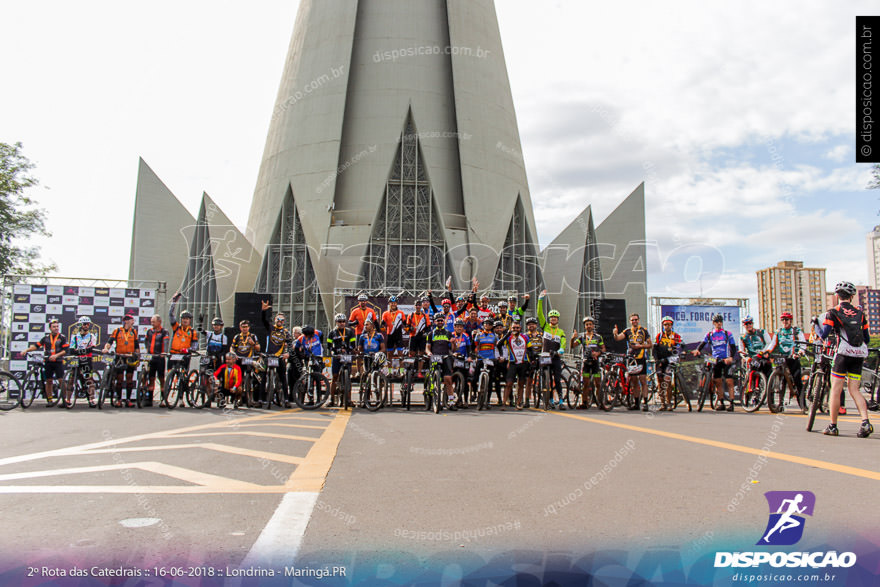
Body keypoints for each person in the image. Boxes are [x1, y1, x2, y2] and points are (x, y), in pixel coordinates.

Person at [815, 281, 873, 438]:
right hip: (858, 355)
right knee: (854, 390)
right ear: (852, 297)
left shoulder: (833, 312)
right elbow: (866, 338)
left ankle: (833, 426)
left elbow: (824, 334)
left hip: (842, 354)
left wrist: (815, 326)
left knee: (836, 389)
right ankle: (865, 422)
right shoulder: (861, 314)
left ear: (836, 296)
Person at [691, 314, 739, 411]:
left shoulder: (727, 333)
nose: (719, 323)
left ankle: (731, 403)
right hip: (715, 360)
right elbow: (703, 344)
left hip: (725, 359)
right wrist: (697, 350)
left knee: (729, 381)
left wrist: (731, 357)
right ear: (713, 323)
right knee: (717, 381)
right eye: (717, 322)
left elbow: (733, 347)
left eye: (720, 321)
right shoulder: (710, 334)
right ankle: (721, 403)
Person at [763, 311, 807, 410]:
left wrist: (800, 352)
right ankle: (780, 404)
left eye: (786, 319)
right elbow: (773, 343)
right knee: (782, 380)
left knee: (797, 380)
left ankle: (803, 405)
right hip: (782, 357)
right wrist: (767, 352)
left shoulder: (796, 331)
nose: (784, 321)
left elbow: (803, 343)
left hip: (793, 357)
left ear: (790, 320)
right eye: (783, 320)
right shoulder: (778, 332)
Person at [22, 318, 68, 406]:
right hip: (48, 362)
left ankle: (64, 400)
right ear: (50, 328)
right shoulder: (46, 338)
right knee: (49, 381)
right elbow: (36, 346)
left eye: (57, 326)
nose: (56, 328)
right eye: (54, 327)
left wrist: (56, 355)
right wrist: (26, 350)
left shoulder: (62, 337)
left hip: (58, 361)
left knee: (61, 380)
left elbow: (66, 350)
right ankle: (49, 400)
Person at [612, 313, 652, 411]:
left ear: (638, 320)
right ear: (630, 321)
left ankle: (645, 403)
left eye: (636, 319)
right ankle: (636, 403)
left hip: (641, 357)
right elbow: (617, 338)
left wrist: (640, 346)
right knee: (634, 382)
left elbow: (650, 344)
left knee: (643, 380)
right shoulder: (627, 331)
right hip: (631, 359)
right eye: (632, 320)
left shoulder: (644, 331)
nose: (634, 321)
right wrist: (615, 333)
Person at [537, 290, 568, 410]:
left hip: (555, 357)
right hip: (545, 355)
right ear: (549, 318)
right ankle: (549, 399)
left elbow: (564, 342)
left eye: (555, 317)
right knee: (546, 379)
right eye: (552, 317)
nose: (553, 319)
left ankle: (560, 401)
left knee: (557, 379)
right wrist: (540, 300)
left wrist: (561, 349)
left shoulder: (560, 332)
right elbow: (540, 313)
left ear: (558, 319)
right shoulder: (545, 326)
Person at [103, 314, 140, 407]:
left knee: (129, 379)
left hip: (130, 357)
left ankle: (128, 400)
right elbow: (109, 342)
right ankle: (118, 399)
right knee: (119, 380)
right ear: (126, 321)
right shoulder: (117, 331)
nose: (133, 322)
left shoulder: (134, 332)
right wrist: (106, 348)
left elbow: (136, 346)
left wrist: (138, 358)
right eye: (132, 320)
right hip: (120, 357)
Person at [261, 300, 294, 402]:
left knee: (283, 377)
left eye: (282, 320)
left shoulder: (286, 332)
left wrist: (288, 353)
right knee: (263, 376)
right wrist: (263, 311)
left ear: (284, 322)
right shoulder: (271, 328)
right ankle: (261, 399)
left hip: (279, 357)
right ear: (275, 319)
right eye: (278, 319)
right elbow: (264, 321)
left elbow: (290, 344)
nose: (280, 321)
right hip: (268, 356)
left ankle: (286, 399)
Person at [572, 316, 606, 410]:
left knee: (598, 383)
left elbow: (603, 348)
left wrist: (598, 353)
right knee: (586, 384)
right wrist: (572, 338)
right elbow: (573, 346)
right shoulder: (582, 337)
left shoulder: (598, 337)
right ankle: (584, 403)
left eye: (590, 324)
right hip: (586, 362)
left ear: (593, 325)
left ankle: (600, 402)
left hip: (595, 362)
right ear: (585, 326)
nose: (588, 326)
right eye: (587, 324)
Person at [425, 315, 456, 410]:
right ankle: (429, 394)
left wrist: (453, 343)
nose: (440, 322)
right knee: (431, 376)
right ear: (435, 322)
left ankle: (451, 402)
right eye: (438, 321)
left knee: (448, 380)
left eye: (441, 320)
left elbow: (453, 349)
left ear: (444, 322)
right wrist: (429, 353)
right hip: (435, 357)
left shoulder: (448, 333)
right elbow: (427, 347)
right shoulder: (431, 334)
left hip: (445, 357)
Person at [498, 318, 530, 410]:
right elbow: (498, 344)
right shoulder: (508, 337)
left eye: (517, 328)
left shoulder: (525, 337)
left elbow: (530, 348)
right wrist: (507, 334)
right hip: (512, 363)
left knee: (521, 383)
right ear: (511, 328)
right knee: (509, 383)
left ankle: (519, 403)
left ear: (520, 328)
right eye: (514, 328)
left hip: (523, 363)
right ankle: (504, 403)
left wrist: (531, 361)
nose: (515, 329)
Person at [651, 316, 681, 411]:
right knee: (660, 383)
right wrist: (656, 360)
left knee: (667, 381)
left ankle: (669, 403)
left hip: (669, 361)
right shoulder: (659, 336)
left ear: (672, 325)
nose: (667, 326)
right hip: (660, 362)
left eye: (669, 324)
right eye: (665, 325)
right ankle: (663, 404)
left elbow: (680, 347)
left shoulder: (676, 336)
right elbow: (654, 349)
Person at [328, 313, 357, 408]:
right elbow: (329, 346)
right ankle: (331, 400)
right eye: (340, 322)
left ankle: (349, 399)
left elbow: (353, 345)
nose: (342, 323)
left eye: (343, 322)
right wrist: (334, 352)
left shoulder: (349, 332)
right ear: (336, 322)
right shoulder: (332, 332)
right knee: (335, 377)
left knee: (348, 378)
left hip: (347, 355)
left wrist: (348, 349)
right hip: (337, 355)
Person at [68, 316, 99, 407]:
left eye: (88, 324)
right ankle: (68, 399)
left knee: (89, 379)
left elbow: (90, 349)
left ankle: (91, 399)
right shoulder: (74, 337)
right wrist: (81, 351)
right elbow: (71, 350)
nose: (86, 326)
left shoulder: (92, 336)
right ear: (80, 325)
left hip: (86, 360)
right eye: (84, 324)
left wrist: (79, 351)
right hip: (76, 359)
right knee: (71, 379)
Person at [472, 317, 500, 410]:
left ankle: (487, 401)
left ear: (492, 326)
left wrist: (498, 357)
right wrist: (475, 355)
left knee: (490, 380)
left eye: (489, 324)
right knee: (475, 378)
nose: (487, 325)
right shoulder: (479, 334)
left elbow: (497, 347)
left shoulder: (495, 336)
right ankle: (475, 393)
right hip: (481, 358)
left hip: (491, 359)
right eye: (485, 323)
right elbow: (475, 345)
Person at [143, 314, 170, 406]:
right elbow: (146, 341)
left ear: (159, 322)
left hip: (160, 358)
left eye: (153, 322)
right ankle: (149, 399)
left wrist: (164, 352)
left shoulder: (164, 332)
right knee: (151, 378)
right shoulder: (149, 331)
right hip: (151, 357)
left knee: (161, 378)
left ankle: (163, 399)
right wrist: (147, 349)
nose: (152, 324)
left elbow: (166, 342)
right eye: (151, 322)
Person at [524, 316, 544, 408]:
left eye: (533, 324)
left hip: (540, 357)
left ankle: (547, 397)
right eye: (529, 324)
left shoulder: (541, 335)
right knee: (528, 380)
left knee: (545, 378)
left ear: (536, 325)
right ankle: (527, 400)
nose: (531, 326)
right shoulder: (525, 336)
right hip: (529, 359)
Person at [381, 295, 407, 360]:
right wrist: (382, 327)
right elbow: (382, 324)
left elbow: (405, 324)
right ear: (389, 303)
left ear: (397, 303)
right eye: (391, 303)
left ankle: (401, 370)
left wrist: (407, 328)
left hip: (399, 336)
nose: (393, 304)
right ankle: (389, 370)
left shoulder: (401, 313)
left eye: (395, 303)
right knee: (389, 355)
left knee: (400, 355)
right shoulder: (385, 313)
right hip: (390, 335)